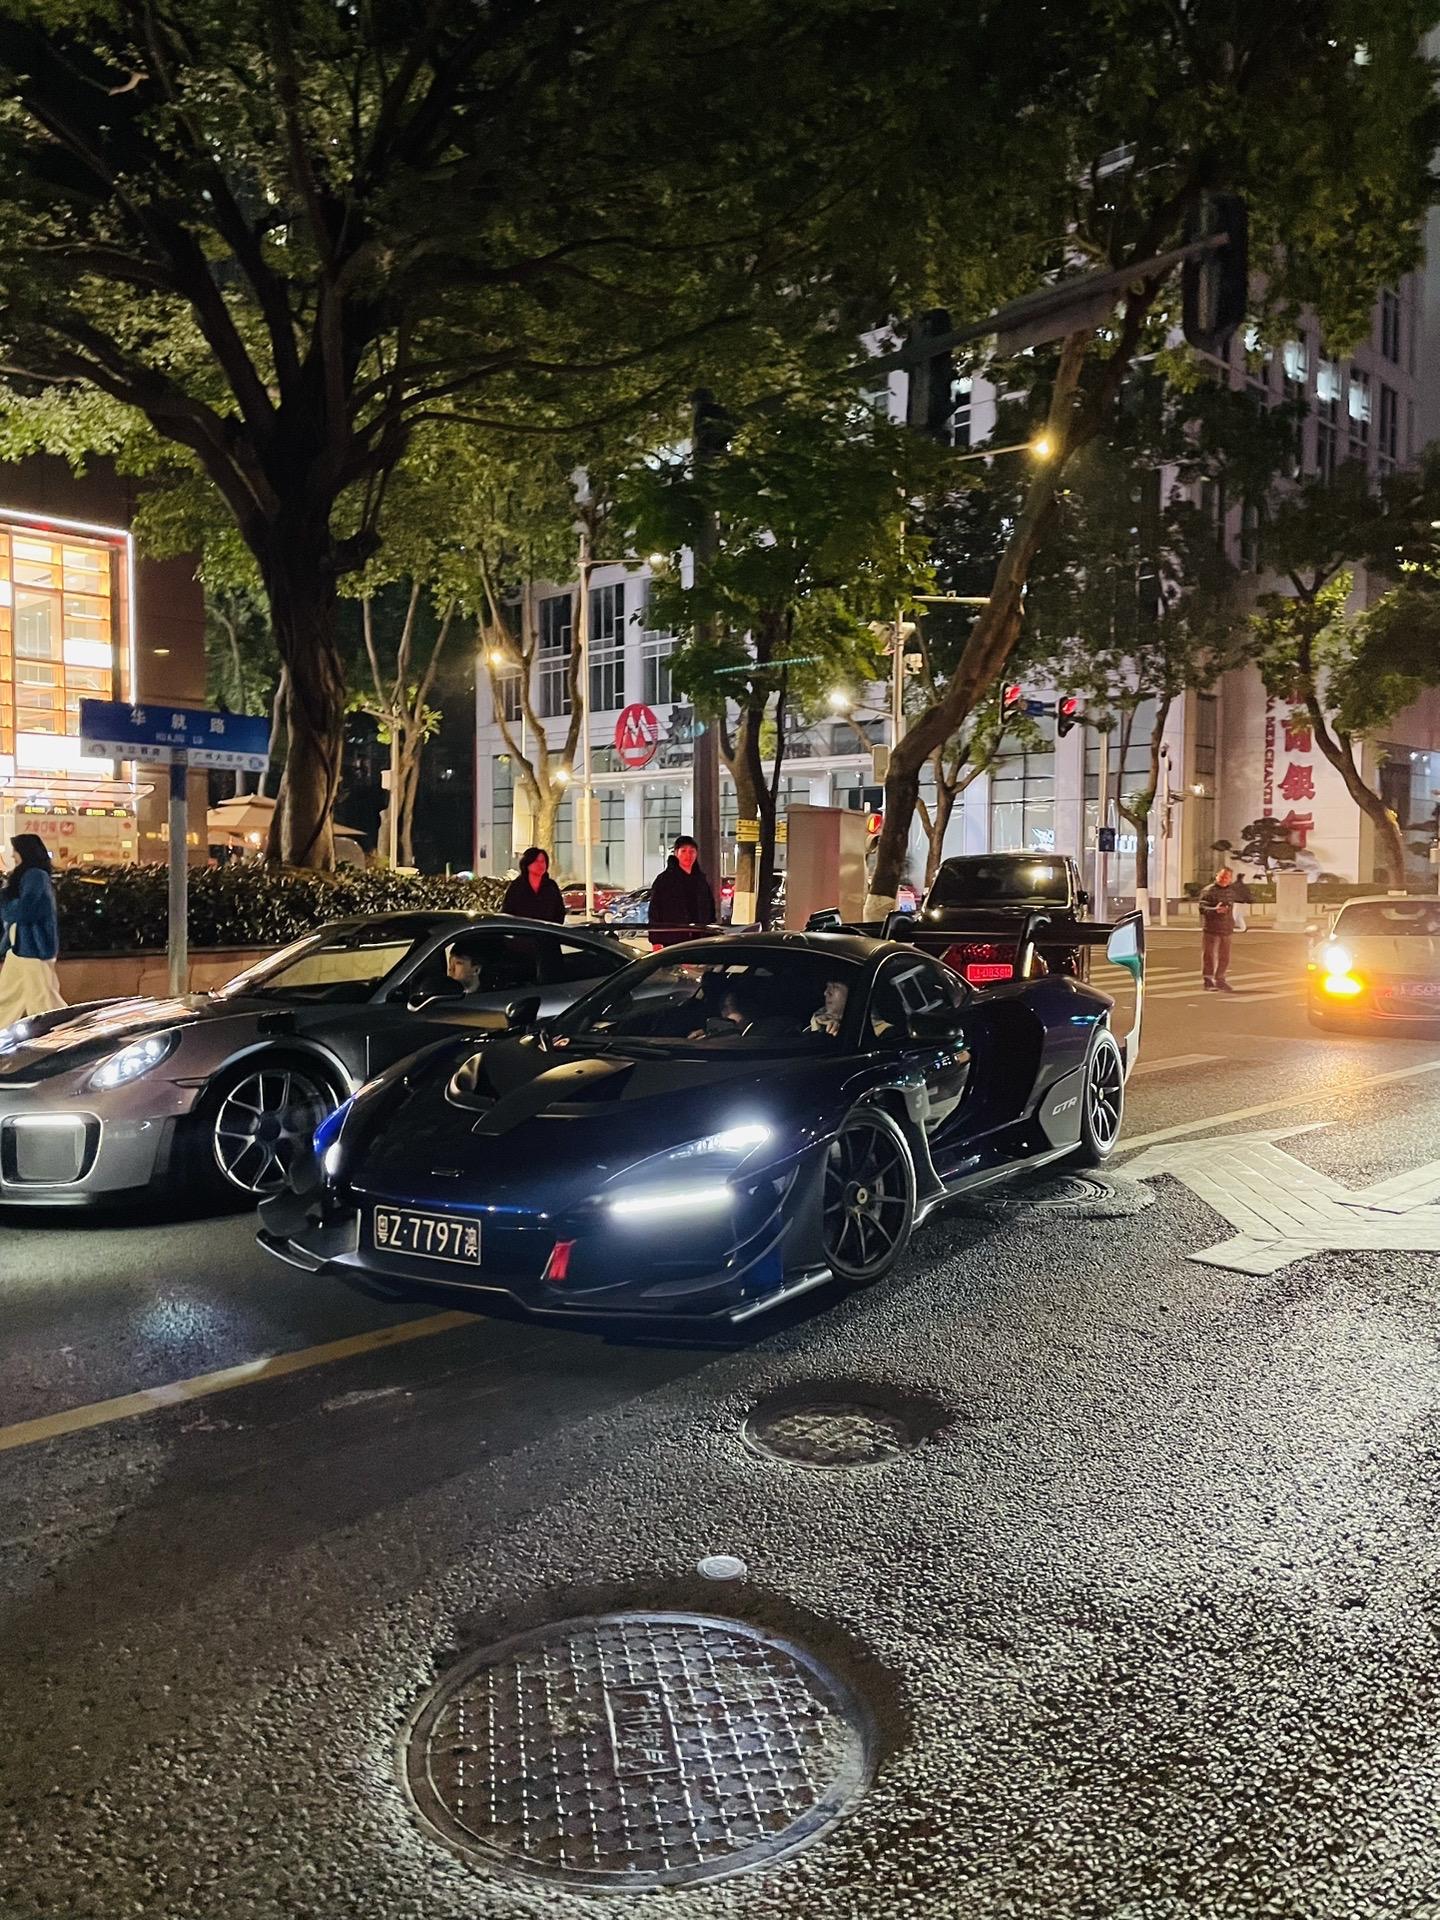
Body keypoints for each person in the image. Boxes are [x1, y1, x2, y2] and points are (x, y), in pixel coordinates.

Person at [0, 833, 65, 1023]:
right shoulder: (31, 875)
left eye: (15, 851)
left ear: (25, 852)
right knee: (11, 997)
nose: (13, 855)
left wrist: (5, 904)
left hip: (33, 949)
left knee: (42, 1000)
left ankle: (60, 1031)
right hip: (22, 949)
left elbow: (25, 910)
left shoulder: (35, 876)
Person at [649, 835, 717, 932]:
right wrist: (656, 937)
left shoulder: (701, 881)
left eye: (692, 851)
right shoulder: (664, 880)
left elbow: (710, 909)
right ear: (676, 853)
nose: (688, 855)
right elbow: (654, 911)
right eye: (683, 851)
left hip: (700, 935)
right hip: (672, 935)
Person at [1198, 865, 1247, 992]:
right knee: (1209, 955)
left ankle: (1220, 979)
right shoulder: (1208, 890)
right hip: (1211, 928)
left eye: (1227, 877)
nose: (1224, 879)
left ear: (1230, 879)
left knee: (1224, 956)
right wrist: (1215, 910)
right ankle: (1208, 980)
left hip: (1226, 928)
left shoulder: (1231, 891)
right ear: (1217, 876)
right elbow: (1202, 908)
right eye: (1222, 876)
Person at [501, 847, 566, 923]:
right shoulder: (517, 886)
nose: (540, 865)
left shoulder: (551, 886)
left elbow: (559, 911)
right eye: (536, 861)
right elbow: (508, 912)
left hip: (547, 929)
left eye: (542, 861)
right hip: (523, 928)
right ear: (527, 864)